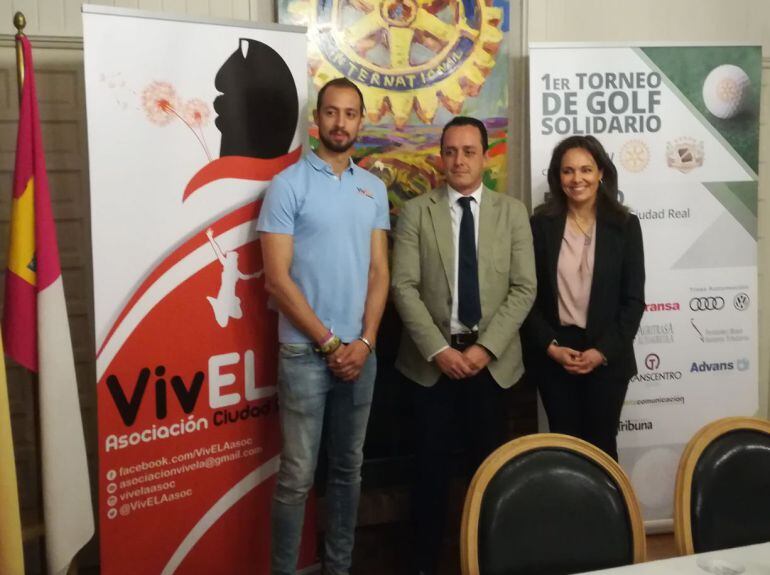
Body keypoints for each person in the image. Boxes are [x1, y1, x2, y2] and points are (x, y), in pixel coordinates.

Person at [391, 116, 536, 575]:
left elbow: (524, 288)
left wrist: (484, 349)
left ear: (486, 156)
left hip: (489, 367)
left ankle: (490, 559)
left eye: (468, 151)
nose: (459, 160)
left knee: (489, 472)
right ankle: (423, 563)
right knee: (429, 473)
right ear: (440, 156)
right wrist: (441, 351)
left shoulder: (512, 213)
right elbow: (404, 288)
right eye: (450, 151)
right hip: (431, 365)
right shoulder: (417, 212)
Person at [257, 77, 390, 575]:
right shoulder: (288, 185)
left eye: (350, 113)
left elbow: (380, 271)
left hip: (361, 353)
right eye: (331, 113)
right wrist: (331, 342)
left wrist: (365, 341)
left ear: (361, 120)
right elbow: (277, 280)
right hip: (304, 354)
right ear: (317, 120)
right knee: (296, 477)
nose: (341, 122)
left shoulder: (372, 187)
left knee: (348, 471)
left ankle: (339, 568)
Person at [523, 134, 645, 461]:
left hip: (607, 356)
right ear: (557, 177)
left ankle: (610, 513)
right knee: (565, 451)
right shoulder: (540, 225)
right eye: (568, 171)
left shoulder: (625, 226)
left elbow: (633, 301)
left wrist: (602, 351)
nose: (577, 179)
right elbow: (526, 296)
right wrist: (550, 346)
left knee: (602, 449)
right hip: (555, 355)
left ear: (601, 172)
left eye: (586, 170)